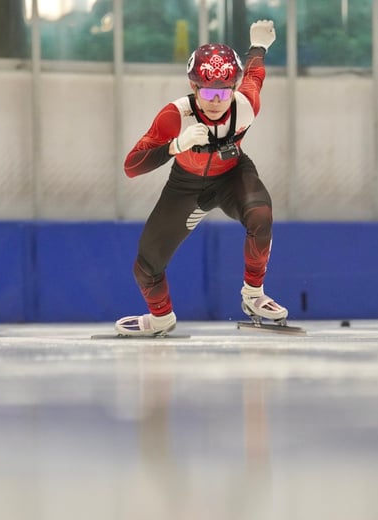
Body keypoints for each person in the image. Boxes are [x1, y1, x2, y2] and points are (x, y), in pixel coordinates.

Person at [114, 20, 285, 337]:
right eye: (208, 91)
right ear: (193, 88)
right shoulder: (174, 116)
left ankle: (253, 295)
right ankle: (160, 319)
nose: (217, 100)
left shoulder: (245, 106)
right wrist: (175, 145)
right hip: (186, 186)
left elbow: (255, 75)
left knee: (261, 216)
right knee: (146, 266)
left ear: (234, 88)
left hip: (233, 175)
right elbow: (131, 166)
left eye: (224, 91)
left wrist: (259, 46)